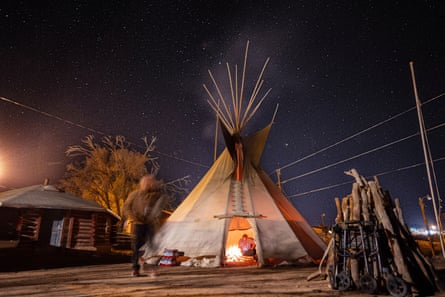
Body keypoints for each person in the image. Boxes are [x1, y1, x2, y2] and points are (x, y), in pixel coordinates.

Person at [122, 174, 167, 277]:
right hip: (138, 223)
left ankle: (151, 268)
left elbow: (160, 205)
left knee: (152, 246)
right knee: (136, 247)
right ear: (142, 184)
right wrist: (133, 217)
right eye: (146, 182)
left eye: (150, 182)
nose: (148, 184)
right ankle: (135, 268)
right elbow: (127, 207)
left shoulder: (155, 195)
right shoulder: (134, 195)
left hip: (150, 224)